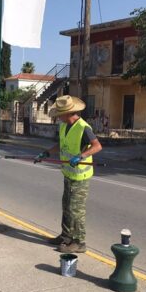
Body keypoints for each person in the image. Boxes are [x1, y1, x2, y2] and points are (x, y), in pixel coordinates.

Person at [34, 95, 102, 253]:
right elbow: (62, 145)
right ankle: (65, 237)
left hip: (80, 176)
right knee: (66, 207)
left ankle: (79, 242)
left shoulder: (83, 128)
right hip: (68, 174)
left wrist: (81, 156)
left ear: (68, 113)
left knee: (76, 210)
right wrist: (46, 153)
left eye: (59, 114)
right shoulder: (65, 126)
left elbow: (97, 146)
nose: (57, 117)